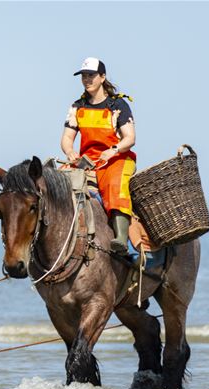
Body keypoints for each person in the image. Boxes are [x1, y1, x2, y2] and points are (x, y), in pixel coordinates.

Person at [61, 57, 136, 254]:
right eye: (84, 76)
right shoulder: (77, 106)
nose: (87, 79)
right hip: (88, 160)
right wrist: (70, 153)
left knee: (113, 184)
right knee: (59, 181)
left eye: (91, 75)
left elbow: (130, 138)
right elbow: (67, 139)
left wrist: (113, 150)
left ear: (102, 77)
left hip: (118, 158)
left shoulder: (117, 104)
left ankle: (121, 238)